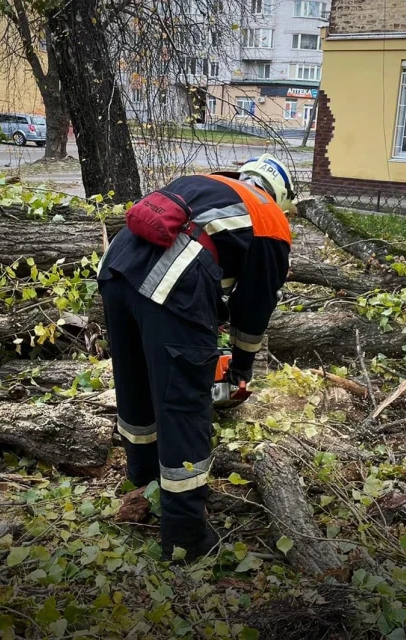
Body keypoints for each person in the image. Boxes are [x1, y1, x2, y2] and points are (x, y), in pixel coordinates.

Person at [97, 154, 294, 561]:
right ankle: (186, 538)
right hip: (170, 282)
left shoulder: (207, 182)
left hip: (116, 268)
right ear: (280, 195)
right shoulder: (270, 219)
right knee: (183, 407)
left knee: (136, 386)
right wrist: (240, 366)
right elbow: (254, 307)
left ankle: (143, 482)